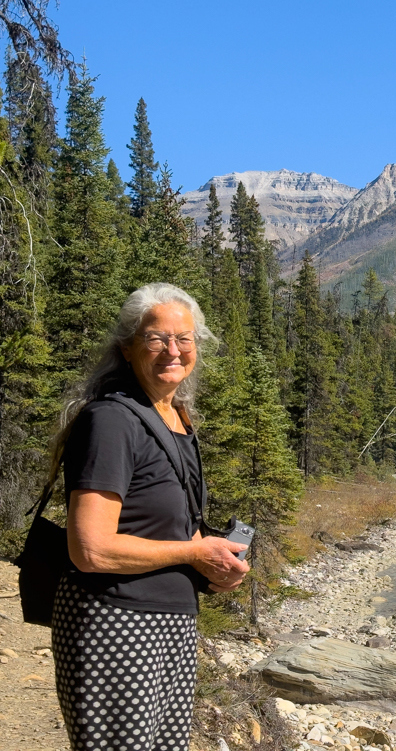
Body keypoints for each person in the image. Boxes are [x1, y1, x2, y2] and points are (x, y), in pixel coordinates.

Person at [49, 283, 250, 751]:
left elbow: (171, 524)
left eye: (184, 339)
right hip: (116, 622)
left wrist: (212, 558)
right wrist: (193, 550)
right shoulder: (113, 421)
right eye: (156, 338)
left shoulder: (175, 416)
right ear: (127, 347)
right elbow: (90, 549)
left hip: (171, 622)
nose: (172, 351)